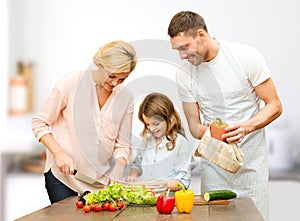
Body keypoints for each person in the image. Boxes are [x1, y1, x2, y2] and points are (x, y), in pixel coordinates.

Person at [168, 11, 282, 220]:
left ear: (201, 35)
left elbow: (274, 105)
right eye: (178, 50)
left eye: (185, 48)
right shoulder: (184, 74)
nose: (182, 56)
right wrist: (214, 131)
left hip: (251, 165)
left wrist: (245, 127)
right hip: (215, 169)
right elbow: (194, 127)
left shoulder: (245, 57)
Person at [32, 40, 137, 204]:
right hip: (64, 178)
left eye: (122, 79)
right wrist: (59, 153)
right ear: (99, 64)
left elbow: (123, 145)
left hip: (99, 183)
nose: (115, 83)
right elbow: (39, 122)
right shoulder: (72, 82)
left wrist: (118, 169)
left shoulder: (126, 97)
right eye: (112, 76)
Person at [127, 92, 195, 192]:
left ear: (168, 119)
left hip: (168, 202)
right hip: (147, 198)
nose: (151, 129)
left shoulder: (181, 144)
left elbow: (182, 183)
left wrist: (155, 184)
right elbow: (137, 165)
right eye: (148, 124)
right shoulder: (147, 142)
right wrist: (133, 176)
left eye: (156, 124)